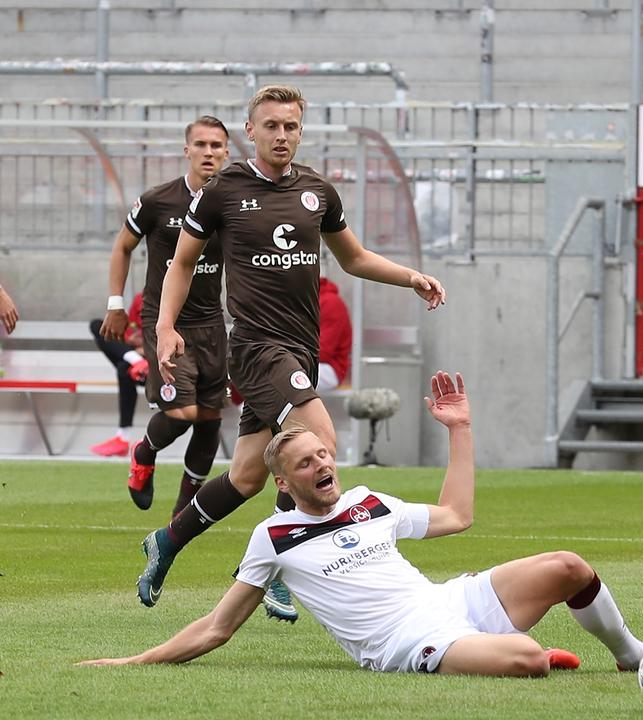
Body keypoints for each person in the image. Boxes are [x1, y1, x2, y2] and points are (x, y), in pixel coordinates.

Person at [80, 372, 643, 678]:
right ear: (283, 482)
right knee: (528, 659)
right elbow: (216, 628)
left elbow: (457, 516)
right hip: (405, 642)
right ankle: (507, 650)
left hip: (449, 603)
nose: (322, 465)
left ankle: (633, 655)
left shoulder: (368, 500)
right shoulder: (272, 540)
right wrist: (134, 662)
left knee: (569, 568)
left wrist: (460, 428)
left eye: (324, 456)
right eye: (306, 463)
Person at [136, 84, 446, 624]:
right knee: (319, 441)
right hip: (256, 347)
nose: (282, 135)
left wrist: (410, 277)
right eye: (272, 126)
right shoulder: (223, 191)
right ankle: (279, 565)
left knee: (249, 477)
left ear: (302, 131)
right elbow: (180, 263)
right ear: (250, 131)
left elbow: (353, 258)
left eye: (292, 127)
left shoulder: (318, 192)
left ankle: (167, 539)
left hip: (301, 350)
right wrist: (165, 328)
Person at [100, 116, 230, 513]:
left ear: (226, 152)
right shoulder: (159, 201)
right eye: (202, 145)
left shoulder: (232, 202)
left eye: (217, 146)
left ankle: (186, 510)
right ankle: (144, 452)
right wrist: (116, 303)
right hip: (165, 320)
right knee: (182, 413)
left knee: (209, 418)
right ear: (186, 149)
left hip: (211, 322)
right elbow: (123, 246)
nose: (209, 152)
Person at [87, 293, 148, 457]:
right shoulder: (140, 298)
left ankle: (123, 437)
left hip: (162, 361)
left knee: (123, 368)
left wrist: (147, 348)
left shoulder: (176, 294)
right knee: (98, 326)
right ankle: (136, 361)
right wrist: (133, 342)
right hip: (138, 358)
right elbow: (130, 332)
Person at [317, 274, 352, 392]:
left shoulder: (331, 303)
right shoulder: (301, 300)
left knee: (283, 376)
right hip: (305, 361)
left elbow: (323, 352)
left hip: (330, 368)